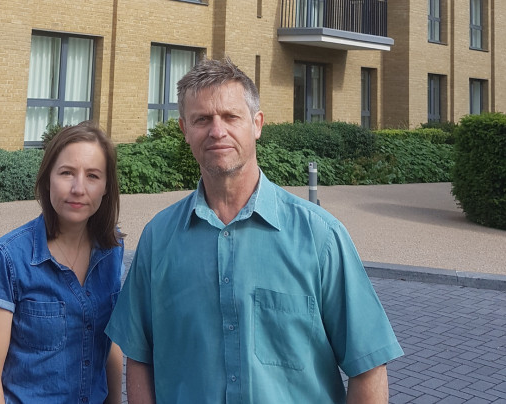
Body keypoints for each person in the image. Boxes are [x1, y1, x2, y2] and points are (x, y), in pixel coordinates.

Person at [105, 57, 404, 403]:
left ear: (257, 124)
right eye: (202, 119)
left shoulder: (320, 237)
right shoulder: (158, 238)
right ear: (184, 131)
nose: (218, 131)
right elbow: (140, 357)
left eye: (231, 117)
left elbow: (367, 366)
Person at [0, 122, 124, 404]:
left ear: (106, 188)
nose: (78, 188)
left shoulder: (111, 250)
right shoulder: (7, 258)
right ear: (47, 178)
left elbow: (110, 345)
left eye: (92, 176)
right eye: (66, 173)